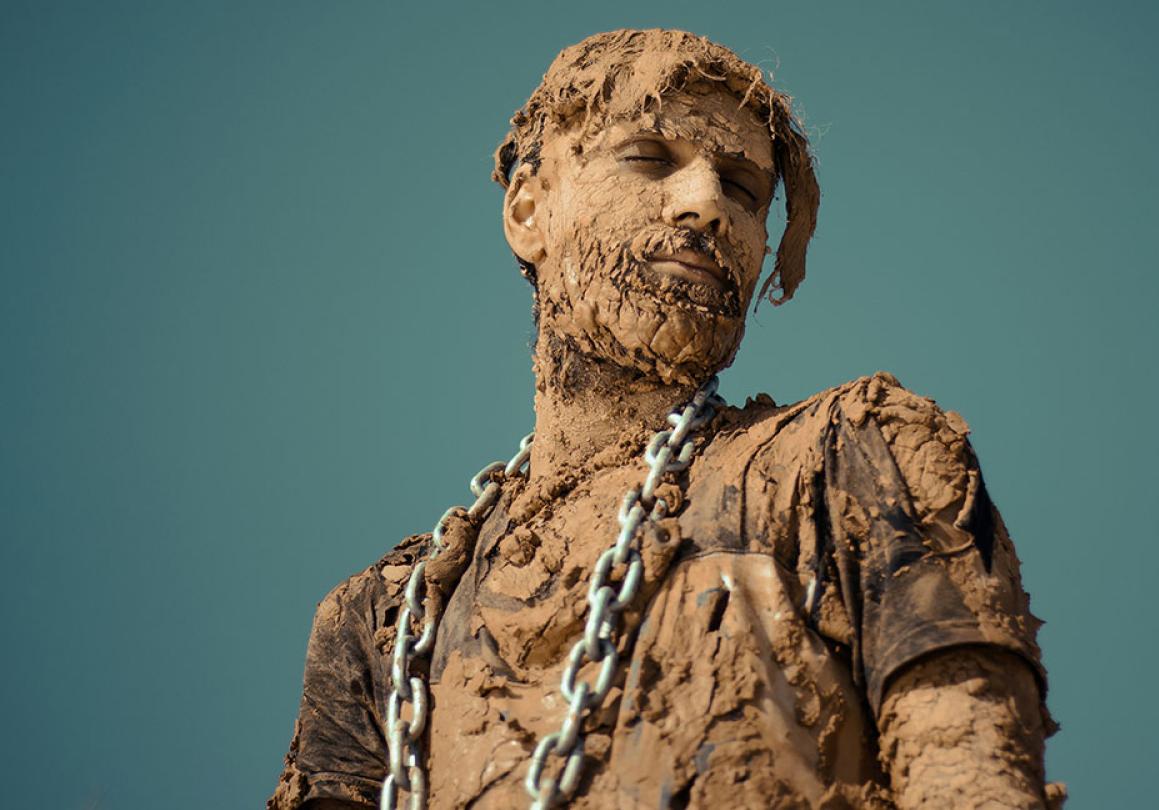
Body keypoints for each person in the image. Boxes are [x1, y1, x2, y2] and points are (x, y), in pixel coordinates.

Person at [270, 29, 1063, 810]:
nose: (708, 206)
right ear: (527, 211)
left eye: (745, 190)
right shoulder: (384, 620)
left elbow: (973, 783)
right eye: (650, 157)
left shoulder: (855, 454)